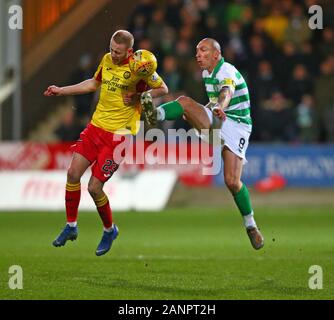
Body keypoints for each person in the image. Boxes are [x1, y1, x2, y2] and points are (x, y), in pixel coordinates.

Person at [44, 30, 168, 256]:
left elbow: (163, 88)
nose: (113, 53)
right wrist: (61, 91)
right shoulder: (107, 60)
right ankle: (71, 226)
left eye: (118, 51)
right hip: (96, 128)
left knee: (94, 187)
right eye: (111, 48)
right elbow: (93, 83)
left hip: (119, 136)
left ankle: (109, 230)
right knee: (72, 174)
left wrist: (140, 96)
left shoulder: (140, 67)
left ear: (129, 51)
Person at [141, 38, 264, 250]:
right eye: (197, 51)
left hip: (238, 126)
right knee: (185, 103)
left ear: (216, 54)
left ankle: (251, 225)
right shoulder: (208, 74)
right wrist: (206, 110)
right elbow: (216, 99)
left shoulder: (225, 70)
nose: (198, 54)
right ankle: (157, 114)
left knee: (232, 182)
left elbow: (226, 92)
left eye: (203, 50)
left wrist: (219, 107)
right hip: (220, 120)